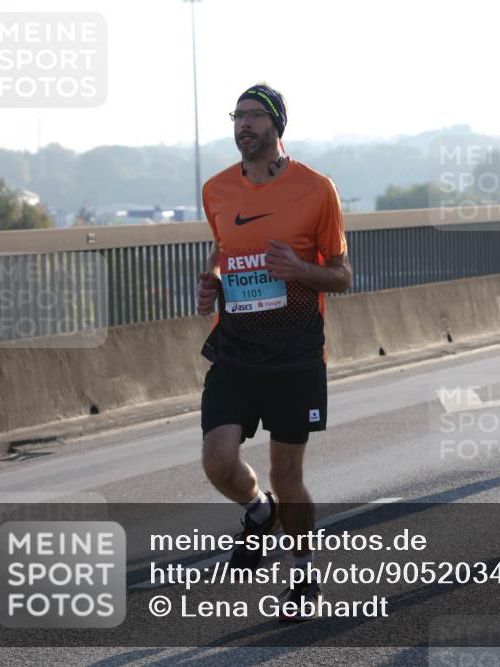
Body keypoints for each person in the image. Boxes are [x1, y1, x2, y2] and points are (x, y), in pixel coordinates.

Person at [195, 83, 351, 620]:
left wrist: (301, 270)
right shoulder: (216, 189)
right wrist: (213, 280)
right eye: (238, 116)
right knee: (217, 459)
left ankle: (304, 575)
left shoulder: (317, 189)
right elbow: (223, 250)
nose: (244, 126)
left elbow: (342, 274)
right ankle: (258, 511)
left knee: (288, 475)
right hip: (236, 348)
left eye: (255, 116)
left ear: (278, 125)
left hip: (296, 352)